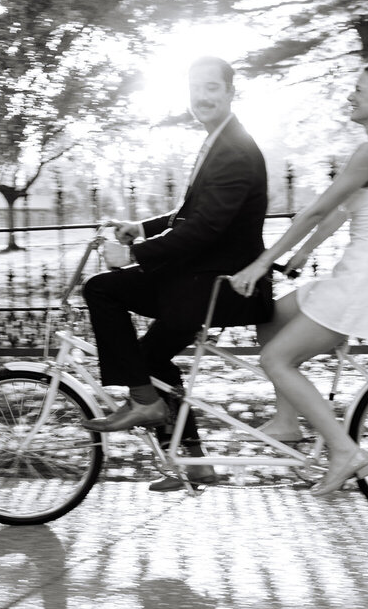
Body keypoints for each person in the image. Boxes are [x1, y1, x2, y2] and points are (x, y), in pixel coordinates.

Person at [228, 60, 368, 497]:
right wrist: (305, 252)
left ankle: (344, 451)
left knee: (275, 360)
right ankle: (288, 421)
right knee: (269, 317)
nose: (350, 96)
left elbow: (313, 211)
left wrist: (261, 263)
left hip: (359, 285)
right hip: (359, 277)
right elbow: (339, 213)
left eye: (358, 89)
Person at [83, 56, 273, 490]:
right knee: (149, 357)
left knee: (102, 290)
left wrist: (134, 256)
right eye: (195, 89)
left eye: (211, 88)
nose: (201, 97)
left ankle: (145, 401)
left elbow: (206, 229)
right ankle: (193, 460)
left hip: (219, 284)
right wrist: (143, 229)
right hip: (199, 277)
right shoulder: (222, 141)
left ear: (230, 92)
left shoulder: (234, 149)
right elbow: (194, 212)